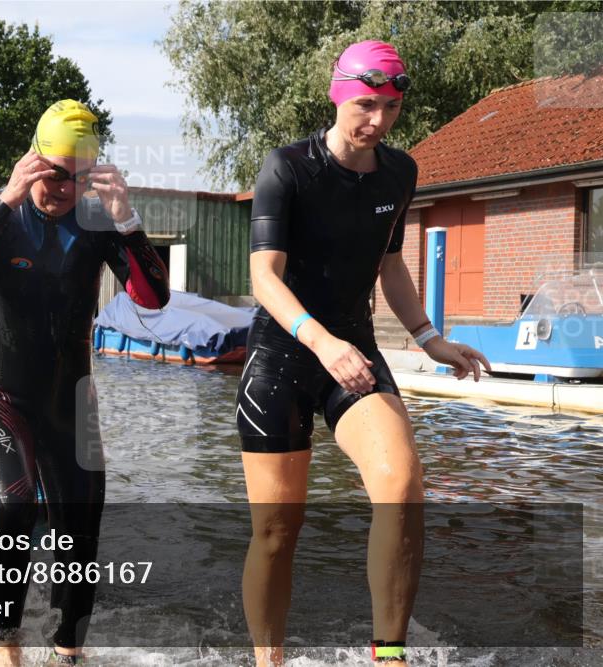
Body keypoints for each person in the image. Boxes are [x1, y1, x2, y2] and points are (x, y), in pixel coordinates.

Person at [235, 41, 492, 667]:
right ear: (338, 94)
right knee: (275, 532)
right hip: (284, 360)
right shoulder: (287, 169)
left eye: (392, 108)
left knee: (402, 485)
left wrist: (430, 338)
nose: (377, 120)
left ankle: (389, 655)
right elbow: (264, 278)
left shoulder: (400, 173)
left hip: (354, 354)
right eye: (366, 104)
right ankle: (269, 661)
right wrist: (322, 341)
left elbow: (390, 263)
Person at [0, 99, 170, 664]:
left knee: (79, 533)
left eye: (78, 176)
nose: (64, 187)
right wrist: (10, 196)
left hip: (71, 401)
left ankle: (68, 653)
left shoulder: (96, 221)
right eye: (54, 172)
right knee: (13, 508)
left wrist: (127, 220)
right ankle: (4, 643)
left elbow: (154, 298)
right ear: (33, 159)